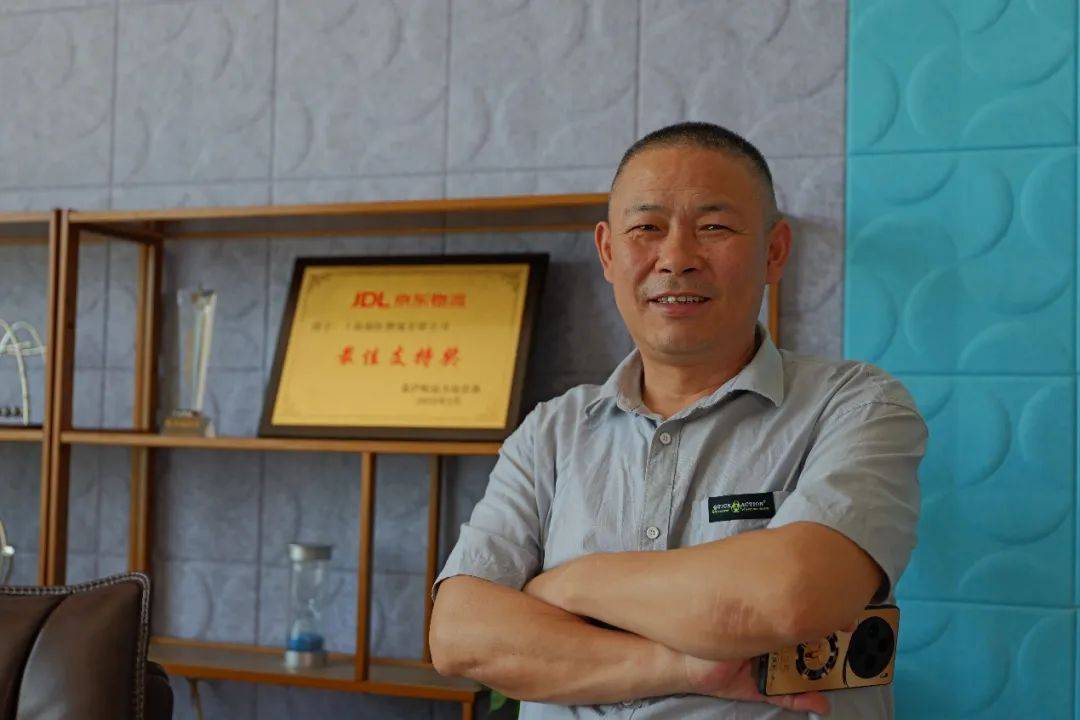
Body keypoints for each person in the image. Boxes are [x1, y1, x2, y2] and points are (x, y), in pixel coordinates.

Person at [428, 121, 926, 719]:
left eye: (714, 227)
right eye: (647, 228)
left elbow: (790, 596)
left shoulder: (857, 405)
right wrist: (686, 668)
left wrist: (568, 583)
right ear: (608, 253)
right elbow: (459, 635)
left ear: (774, 252)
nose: (677, 259)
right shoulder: (550, 432)